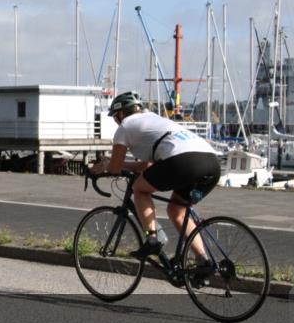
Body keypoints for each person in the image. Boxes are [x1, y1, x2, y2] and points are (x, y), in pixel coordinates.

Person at [90, 91, 221, 265]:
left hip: (182, 160)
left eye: (115, 117)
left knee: (139, 188)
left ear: (121, 114)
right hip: (211, 162)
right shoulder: (154, 120)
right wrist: (120, 165)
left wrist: (105, 165)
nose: (116, 121)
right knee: (177, 211)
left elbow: (114, 168)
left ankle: (152, 240)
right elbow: (145, 167)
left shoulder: (125, 126)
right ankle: (203, 261)